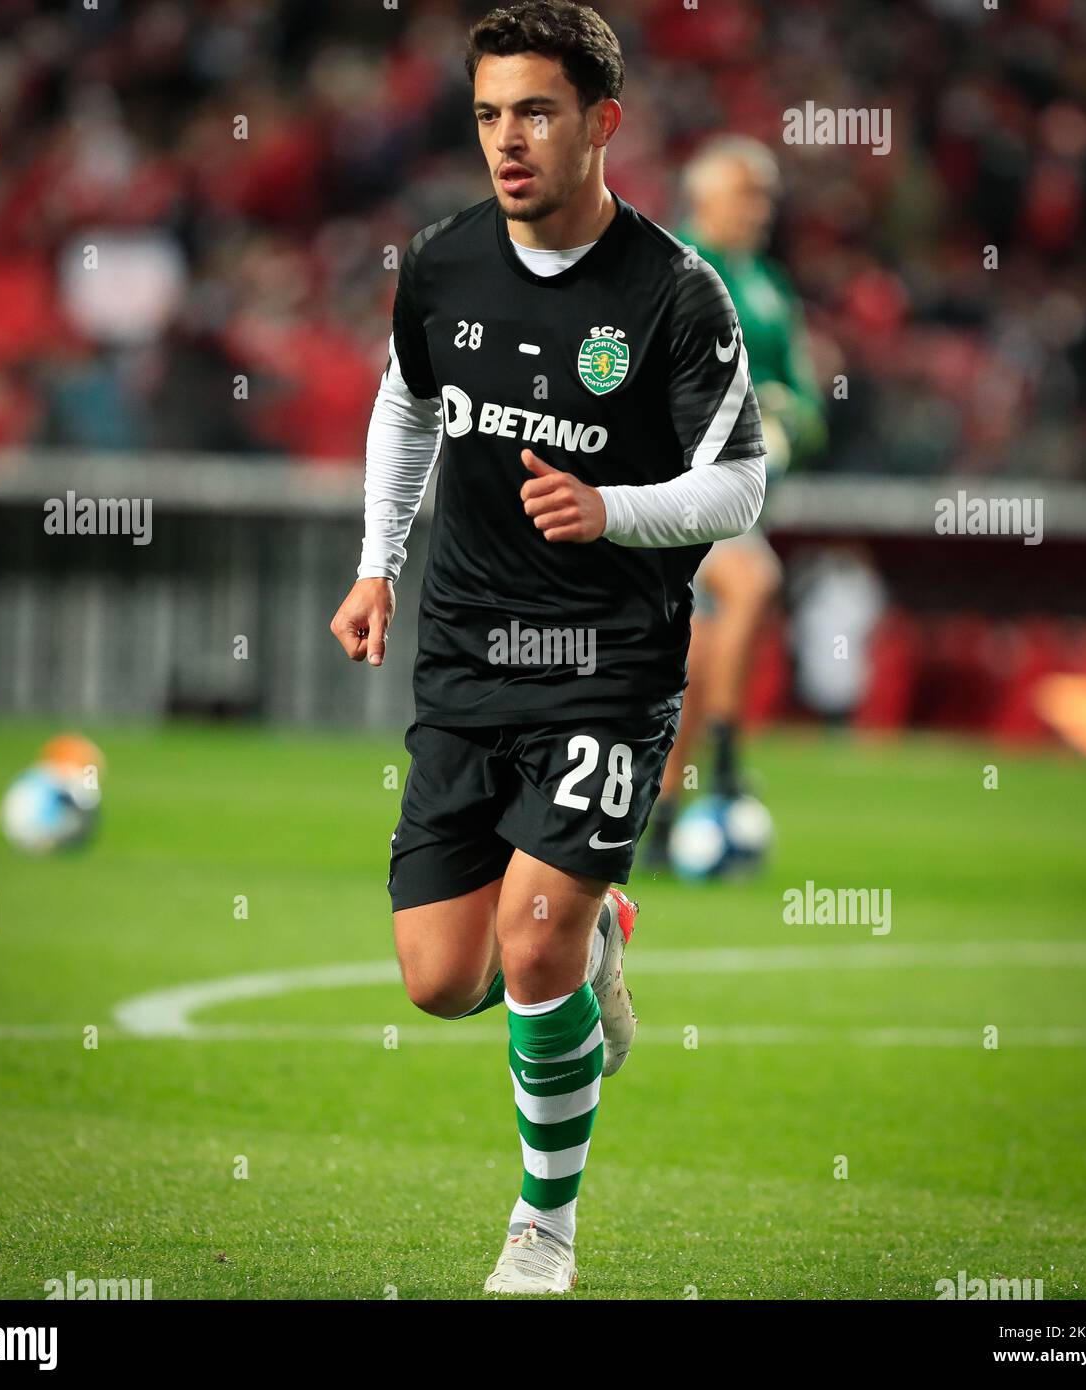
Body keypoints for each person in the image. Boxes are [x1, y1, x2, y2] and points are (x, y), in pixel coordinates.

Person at [329, 0, 766, 1294]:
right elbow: (403, 406)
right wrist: (376, 563)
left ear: (601, 123)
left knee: (530, 943)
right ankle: (601, 931)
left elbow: (738, 485)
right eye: (487, 115)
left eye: (534, 111)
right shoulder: (445, 263)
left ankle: (544, 1226)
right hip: (465, 654)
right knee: (438, 978)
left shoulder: (675, 291)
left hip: (608, 658)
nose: (506, 140)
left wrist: (613, 511)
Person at [646, 137, 824, 861]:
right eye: (746, 195)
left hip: (739, 498)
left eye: (766, 198)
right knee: (753, 581)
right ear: (703, 198)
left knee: (700, 650)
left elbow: (810, 404)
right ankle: (724, 767)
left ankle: (662, 815)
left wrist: (784, 424)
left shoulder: (771, 287)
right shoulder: (667, 269)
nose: (760, 210)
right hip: (672, 490)